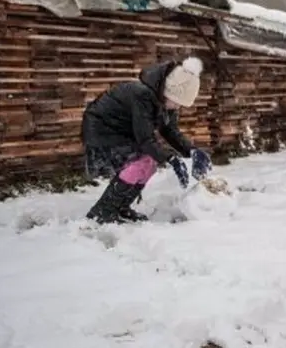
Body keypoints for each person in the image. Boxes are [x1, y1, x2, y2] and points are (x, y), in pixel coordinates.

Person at [80, 56, 213, 224]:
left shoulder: (165, 101)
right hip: (102, 130)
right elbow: (145, 139)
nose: (178, 107)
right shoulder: (142, 96)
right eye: (178, 102)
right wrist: (170, 158)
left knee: (150, 164)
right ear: (168, 91)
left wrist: (192, 151)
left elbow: (170, 131)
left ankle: (121, 207)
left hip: (124, 132)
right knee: (140, 162)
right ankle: (102, 212)